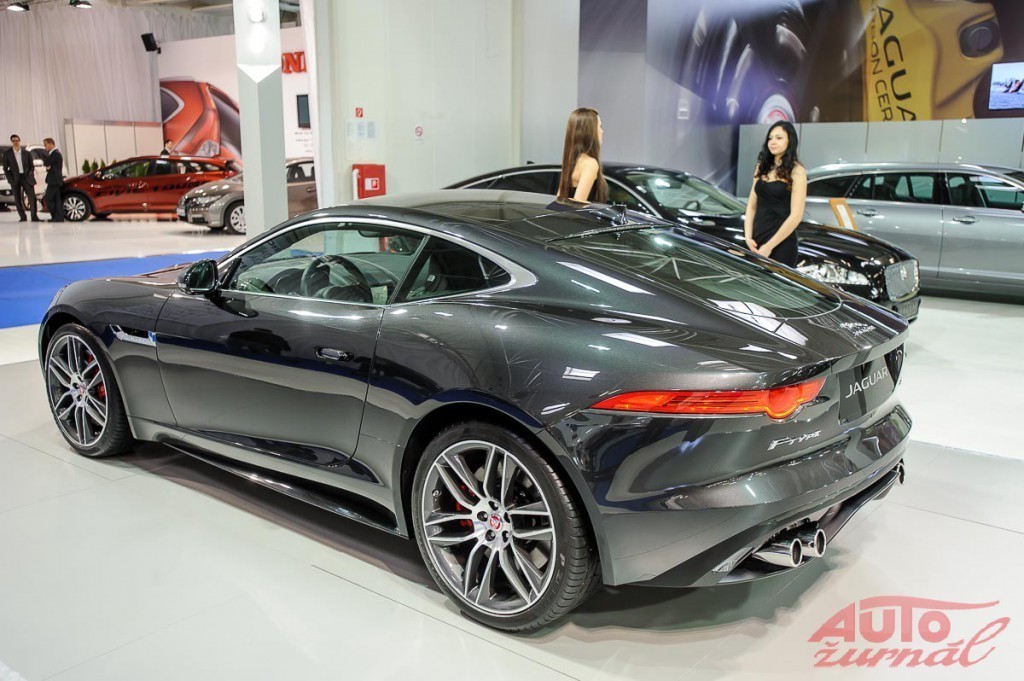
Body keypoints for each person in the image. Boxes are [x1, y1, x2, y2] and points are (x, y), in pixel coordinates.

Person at [743, 121, 807, 267]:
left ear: (790, 141)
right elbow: (751, 206)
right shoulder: (761, 167)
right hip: (756, 240)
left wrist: (769, 246)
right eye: (770, 138)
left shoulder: (797, 171)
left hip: (781, 243)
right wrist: (748, 237)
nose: (772, 142)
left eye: (779, 138)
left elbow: (796, 216)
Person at [556, 108, 608, 203]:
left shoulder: (571, 161)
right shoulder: (590, 163)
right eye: (600, 126)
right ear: (591, 131)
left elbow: (559, 199)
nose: (602, 131)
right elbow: (578, 203)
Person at [2, 134, 39, 222]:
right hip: (15, 178)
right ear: (11, 142)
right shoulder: (7, 153)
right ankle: (22, 217)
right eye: (13, 141)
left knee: (32, 197)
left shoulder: (26, 153)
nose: (15, 142)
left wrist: (30, 174)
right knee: (17, 198)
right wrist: (10, 179)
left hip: (26, 177)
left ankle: (34, 216)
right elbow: (5, 168)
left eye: (17, 140)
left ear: (19, 141)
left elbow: (31, 166)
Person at [42, 138, 64, 222]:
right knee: (56, 199)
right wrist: (49, 167)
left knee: (48, 198)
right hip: (55, 180)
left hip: (54, 180)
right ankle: (58, 217)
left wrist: (48, 165)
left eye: (45, 144)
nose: (44, 146)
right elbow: (48, 165)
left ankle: (56, 216)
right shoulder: (54, 153)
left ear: (51, 144)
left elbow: (46, 163)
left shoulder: (55, 154)